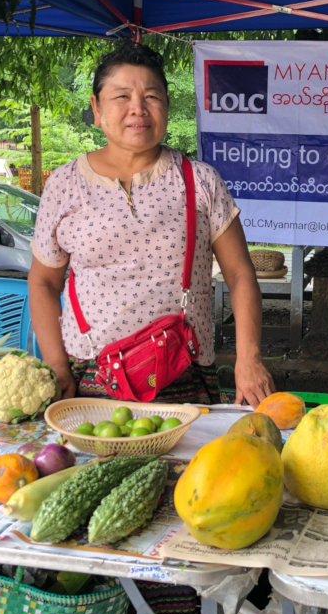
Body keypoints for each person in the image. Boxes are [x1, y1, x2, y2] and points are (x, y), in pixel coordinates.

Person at [28, 42, 275, 408]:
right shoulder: (64, 184)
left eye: (151, 97)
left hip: (184, 374)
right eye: (121, 96)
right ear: (96, 109)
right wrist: (56, 366)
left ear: (167, 107)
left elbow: (240, 274)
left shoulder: (201, 181)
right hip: (89, 379)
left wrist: (248, 358)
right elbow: (44, 282)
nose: (137, 109)